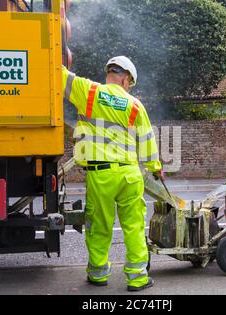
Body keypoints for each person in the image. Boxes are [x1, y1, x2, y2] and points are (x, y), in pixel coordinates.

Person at [62, 56, 163, 291]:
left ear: (110, 73)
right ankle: (137, 278)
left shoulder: (88, 91)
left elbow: (58, 74)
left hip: (101, 174)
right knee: (134, 226)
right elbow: (147, 143)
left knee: (99, 226)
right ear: (126, 79)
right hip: (129, 175)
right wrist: (156, 169)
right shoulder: (135, 105)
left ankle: (98, 274)